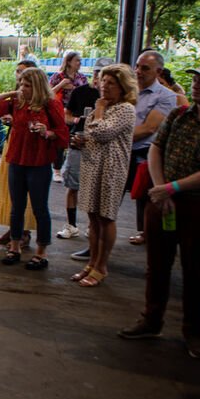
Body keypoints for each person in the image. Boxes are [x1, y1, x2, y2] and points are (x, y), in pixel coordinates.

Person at [118, 62, 200, 359]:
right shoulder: (180, 115)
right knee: (157, 265)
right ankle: (151, 319)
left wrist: (175, 188)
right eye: (195, 79)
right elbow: (157, 148)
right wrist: (162, 189)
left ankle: (193, 331)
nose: (196, 85)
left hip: (199, 205)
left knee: (195, 270)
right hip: (164, 201)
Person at [0, 67, 69, 270]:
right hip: (17, 158)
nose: (22, 88)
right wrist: (11, 93)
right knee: (17, 207)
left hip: (39, 162)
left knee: (40, 207)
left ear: (37, 86)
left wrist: (47, 132)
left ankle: (42, 252)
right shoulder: (17, 102)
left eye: (27, 85)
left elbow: (63, 136)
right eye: (21, 84)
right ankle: (14, 246)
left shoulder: (50, 105)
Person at [70, 63, 136, 287]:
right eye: (103, 81)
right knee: (93, 217)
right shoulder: (102, 107)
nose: (104, 86)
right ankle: (91, 262)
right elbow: (91, 135)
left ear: (122, 86)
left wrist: (97, 111)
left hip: (111, 169)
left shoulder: (125, 109)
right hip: (92, 165)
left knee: (106, 217)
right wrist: (80, 141)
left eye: (111, 83)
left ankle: (101, 266)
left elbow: (103, 132)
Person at [127, 51, 179, 244]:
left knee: (147, 196)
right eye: (137, 66)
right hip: (123, 150)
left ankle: (148, 232)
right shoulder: (127, 91)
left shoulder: (166, 96)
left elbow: (150, 128)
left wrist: (116, 137)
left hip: (144, 152)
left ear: (159, 71)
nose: (139, 71)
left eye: (145, 68)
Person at [0, 59, 39, 247]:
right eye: (18, 72)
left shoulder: (38, 100)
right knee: (9, 189)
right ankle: (13, 229)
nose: (19, 76)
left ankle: (23, 233)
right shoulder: (18, 98)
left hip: (30, 150)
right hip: (13, 143)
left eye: (24, 73)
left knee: (25, 192)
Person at [58, 60, 106, 240]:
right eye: (96, 74)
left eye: (103, 75)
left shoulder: (117, 101)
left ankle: (91, 227)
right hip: (78, 143)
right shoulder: (80, 91)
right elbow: (67, 115)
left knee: (95, 188)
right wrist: (74, 120)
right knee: (72, 185)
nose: (99, 79)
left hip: (100, 149)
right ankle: (71, 225)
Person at [49, 51, 88, 183]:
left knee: (74, 139)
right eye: (77, 60)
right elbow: (48, 93)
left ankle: (70, 168)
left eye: (80, 61)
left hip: (76, 112)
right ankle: (57, 169)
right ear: (69, 62)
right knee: (60, 140)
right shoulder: (58, 76)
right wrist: (61, 85)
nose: (79, 63)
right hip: (60, 112)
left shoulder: (81, 78)